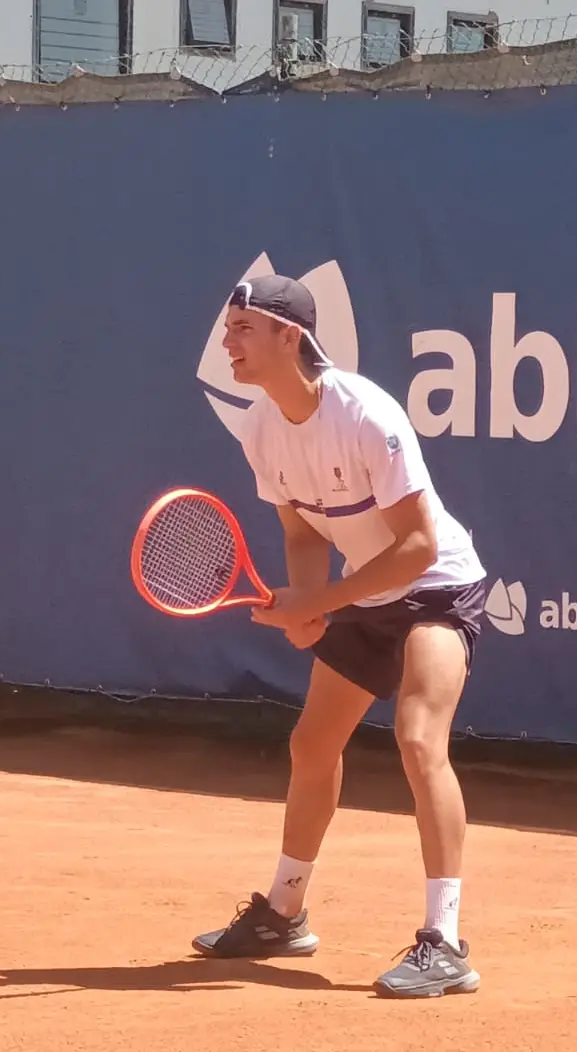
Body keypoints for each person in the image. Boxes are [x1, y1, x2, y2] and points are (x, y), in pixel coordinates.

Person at [190, 273, 489, 998]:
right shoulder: (260, 429)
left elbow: (417, 546)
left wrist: (322, 601)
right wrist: (305, 608)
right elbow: (300, 531)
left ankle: (445, 941)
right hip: (365, 590)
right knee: (312, 744)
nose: (227, 343)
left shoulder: (365, 414)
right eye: (227, 330)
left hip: (437, 588)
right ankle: (283, 914)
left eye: (242, 329)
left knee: (418, 739)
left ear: (289, 335)